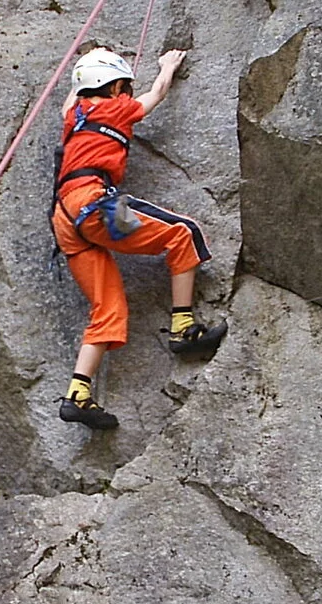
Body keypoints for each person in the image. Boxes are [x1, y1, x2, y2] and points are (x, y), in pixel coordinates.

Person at [52, 47, 227, 430]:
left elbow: (73, 94)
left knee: (108, 308)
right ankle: (183, 326)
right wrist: (166, 66)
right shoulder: (117, 108)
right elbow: (157, 94)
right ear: (112, 87)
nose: (127, 92)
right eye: (123, 86)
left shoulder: (73, 114)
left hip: (66, 217)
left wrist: (85, 61)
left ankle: (77, 393)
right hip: (97, 205)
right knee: (183, 233)